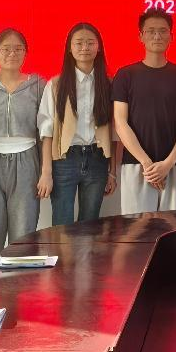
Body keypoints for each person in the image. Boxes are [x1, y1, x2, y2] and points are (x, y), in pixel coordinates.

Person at [0, 28, 46, 267]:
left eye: (18, 49)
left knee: (23, 234)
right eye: (5, 49)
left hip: (27, 160)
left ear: (26, 53)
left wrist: (46, 171)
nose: (12, 53)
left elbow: (46, 132)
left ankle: (20, 289)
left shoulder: (38, 85)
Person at [113, 9, 176, 214]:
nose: (157, 36)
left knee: (172, 227)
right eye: (151, 31)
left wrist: (168, 163)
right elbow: (120, 122)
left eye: (163, 31)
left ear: (171, 36)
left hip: (172, 165)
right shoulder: (125, 75)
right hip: (136, 164)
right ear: (141, 36)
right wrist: (146, 163)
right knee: (136, 228)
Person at [38, 22, 116, 225]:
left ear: (99, 47)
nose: (84, 48)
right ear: (69, 49)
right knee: (61, 226)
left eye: (90, 43)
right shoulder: (56, 84)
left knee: (89, 226)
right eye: (79, 43)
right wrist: (46, 172)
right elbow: (47, 131)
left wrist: (112, 172)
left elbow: (114, 134)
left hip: (98, 159)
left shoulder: (109, 84)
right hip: (65, 160)